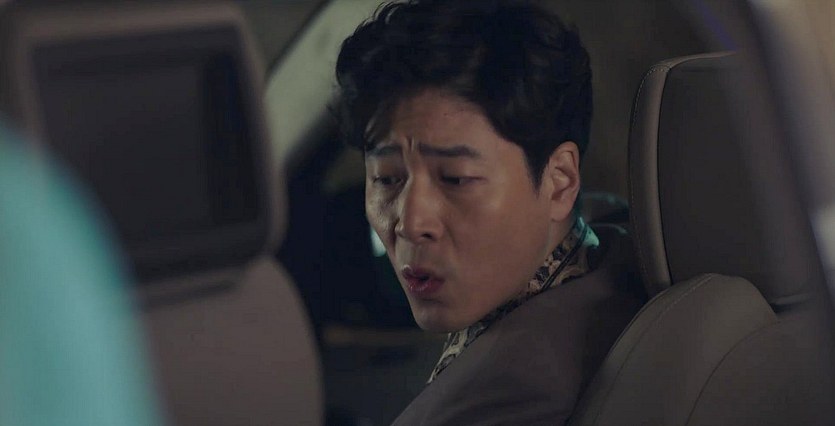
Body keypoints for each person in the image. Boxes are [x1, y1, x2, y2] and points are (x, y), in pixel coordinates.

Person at [335, 0, 644, 424]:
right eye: (387, 178)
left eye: (456, 179)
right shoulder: (613, 249)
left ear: (559, 181)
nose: (410, 223)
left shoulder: (515, 395)